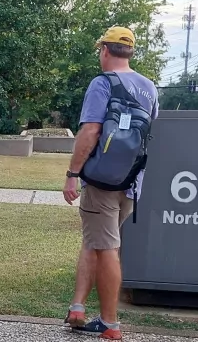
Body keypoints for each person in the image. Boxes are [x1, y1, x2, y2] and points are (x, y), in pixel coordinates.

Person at [62, 26, 158, 340]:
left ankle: (110, 323)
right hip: (131, 183)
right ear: (129, 52)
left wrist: (73, 174)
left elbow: (90, 132)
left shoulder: (102, 83)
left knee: (107, 249)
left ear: (105, 50)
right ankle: (77, 306)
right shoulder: (149, 87)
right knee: (96, 240)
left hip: (101, 182)